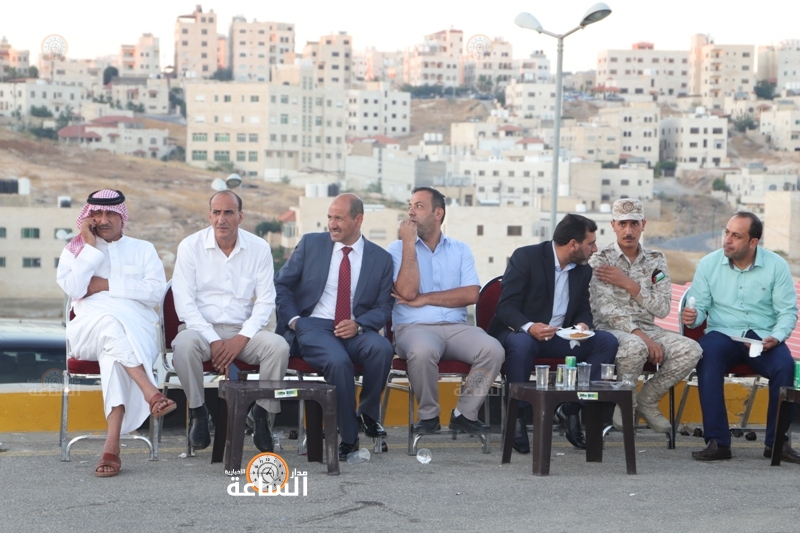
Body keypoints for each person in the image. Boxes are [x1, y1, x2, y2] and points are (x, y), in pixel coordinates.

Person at [57, 189, 172, 477]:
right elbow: (74, 289)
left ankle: (112, 447)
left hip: (136, 331)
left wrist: (105, 285)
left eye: (110, 213)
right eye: (96, 213)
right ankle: (151, 392)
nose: (103, 219)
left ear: (122, 217)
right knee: (110, 324)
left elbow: (155, 293)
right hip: (88, 332)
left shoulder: (143, 249)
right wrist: (90, 247)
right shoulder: (75, 250)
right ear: (88, 216)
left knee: (113, 355)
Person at [274, 193, 394, 460]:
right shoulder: (311, 244)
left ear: (358, 220)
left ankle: (367, 414)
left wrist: (359, 325)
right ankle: (349, 439)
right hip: (314, 326)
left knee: (382, 348)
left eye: (339, 218)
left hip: (355, 328)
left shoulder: (381, 259)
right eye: (329, 217)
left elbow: (384, 308)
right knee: (339, 363)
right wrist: (294, 321)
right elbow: (282, 284)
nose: (332, 224)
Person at [489, 214, 618, 453]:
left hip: (561, 336)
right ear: (573, 244)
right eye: (590, 243)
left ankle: (571, 408)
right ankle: (517, 417)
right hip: (522, 333)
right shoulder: (526, 257)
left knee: (606, 342)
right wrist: (530, 326)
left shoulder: (582, 270)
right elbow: (505, 307)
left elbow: (583, 308)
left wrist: (583, 324)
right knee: (521, 345)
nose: (595, 249)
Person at [172, 190, 290, 453]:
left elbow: (266, 301)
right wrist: (213, 340)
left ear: (240, 216)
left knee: (278, 347)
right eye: (216, 212)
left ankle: (261, 415)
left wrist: (241, 338)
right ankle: (198, 412)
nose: (221, 219)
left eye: (228, 212)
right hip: (201, 330)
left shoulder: (259, 248)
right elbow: (184, 304)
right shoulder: (190, 246)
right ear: (209, 216)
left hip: (243, 331)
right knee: (183, 345)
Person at [683, 212, 799, 462]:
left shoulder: (776, 265)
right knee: (706, 357)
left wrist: (777, 337)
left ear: (753, 242)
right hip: (722, 333)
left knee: (784, 366)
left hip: (762, 336)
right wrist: (693, 317)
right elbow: (700, 307)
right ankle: (718, 442)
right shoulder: (708, 264)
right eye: (727, 232)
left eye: (736, 236)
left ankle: (776, 444)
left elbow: (787, 312)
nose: (727, 240)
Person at [389, 187, 504, 438]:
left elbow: (471, 294)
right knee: (422, 351)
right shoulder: (397, 249)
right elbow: (407, 292)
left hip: (456, 327)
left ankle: (465, 413)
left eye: (419, 206)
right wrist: (409, 244)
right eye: (410, 206)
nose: (411, 212)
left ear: (438, 213)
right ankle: (428, 415)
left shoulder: (460, 249)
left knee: (493, 350)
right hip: (414, 328)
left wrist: (425, 298)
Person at [589, 199, 702, 434]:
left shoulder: (655, 260)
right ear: (613, 225)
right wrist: (643, 338)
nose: (628, 230)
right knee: (635, 346)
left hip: (649, 329)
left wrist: (629, 284)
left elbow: (662, 308)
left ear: (643, 225)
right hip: (612, 330)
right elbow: (606, 310)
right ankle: (626, 403)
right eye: (622, 224)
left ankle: (647, 400)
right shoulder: (601, 260)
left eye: (634, 223)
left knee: (691, 350)